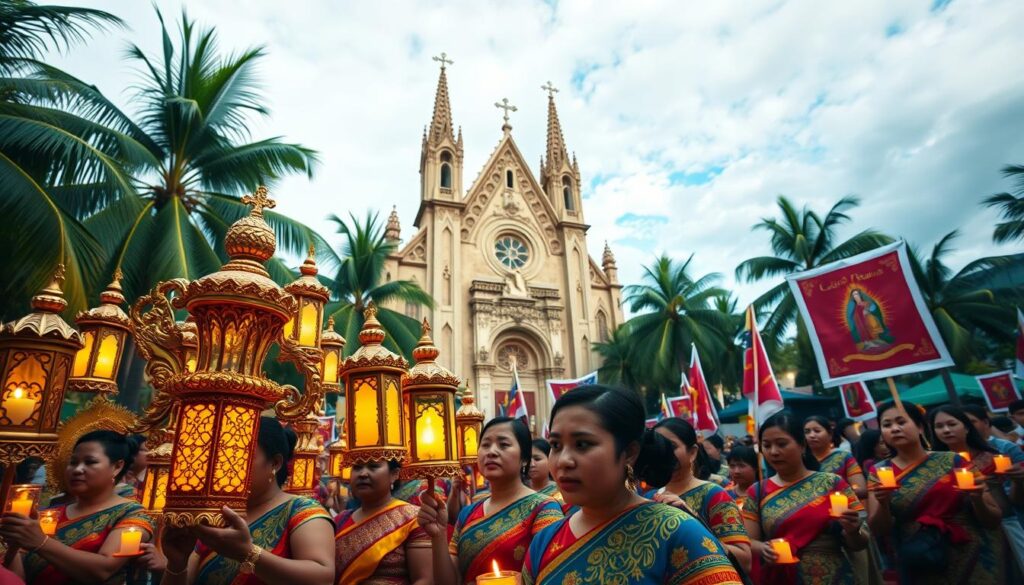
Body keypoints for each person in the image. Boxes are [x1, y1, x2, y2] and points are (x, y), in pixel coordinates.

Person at [520, 385, 742, 584]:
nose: (563, 461)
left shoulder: (678, 532)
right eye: (556, 445)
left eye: (583, 444)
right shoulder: (545, 540)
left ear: (629, 452)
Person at [150, 417, 335, 585]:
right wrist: (176, 563)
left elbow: (322, 578)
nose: (226, 466)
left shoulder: (302, 512)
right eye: (222, 456)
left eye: (239, 457)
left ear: (275, 463)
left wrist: (247, 553)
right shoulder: (215, 514)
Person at [867, 401, 1005, 584]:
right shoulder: (879, 472)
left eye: (901, 422)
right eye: (887, 425)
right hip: (920, 557)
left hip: (970, 551)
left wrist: (977, 498)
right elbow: (878, 529)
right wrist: (883, 503)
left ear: (920, 427)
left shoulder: (954, 461)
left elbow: (994, 518)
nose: (895, 429)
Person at [417, 416, 563, 584]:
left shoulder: (544, 509)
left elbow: (551, 575)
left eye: (504, 445)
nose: (491, 451)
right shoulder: (468, 513)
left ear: (524, 458)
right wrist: (438, 535)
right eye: (485, 445)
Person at [0, 430, 155, 584]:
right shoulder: (49, 515)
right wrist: (14, 547)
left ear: (117, 467)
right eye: (73, 462)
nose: (77, 469)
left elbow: (104, 570)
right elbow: (18, 579)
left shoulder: (133, 515)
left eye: (90, 462)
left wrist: (41, 542)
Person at [743, 411, 866, 585]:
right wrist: (764, 549)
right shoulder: (757, 491)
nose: (774, 452)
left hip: (835, 576)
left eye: (782, 444)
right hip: (782, 577)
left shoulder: (832, 483)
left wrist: (853, 530)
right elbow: (748, 540)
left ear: (802, 445)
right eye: (767, 445)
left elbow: (861, 542)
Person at [652, 417, 751, 572]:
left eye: (671, 446)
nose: (664, 453)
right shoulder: (650, 498)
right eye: (657, 446)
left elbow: (745, 561)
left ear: (692, 453)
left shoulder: (715, 495)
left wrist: (693, 519)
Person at [334, 460, 430, 584]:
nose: (363, 474)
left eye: (373, 466)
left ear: (394, 474)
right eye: (357, 468)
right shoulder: (339, 520)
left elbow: (425, 579)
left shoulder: (414, 518)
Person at [805, 415, 867, 500]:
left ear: (830, 434)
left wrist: (833, 495)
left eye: (817, 431)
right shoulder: (802, 463)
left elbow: (861, 489)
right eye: (807, 432)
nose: (811, 435)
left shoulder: (843, 457)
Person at [725, 445, 758, 510]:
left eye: (742, 466)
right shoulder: (725, 494)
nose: (736, 471)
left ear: (755, 468)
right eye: (732, 466)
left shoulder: (764, 494)